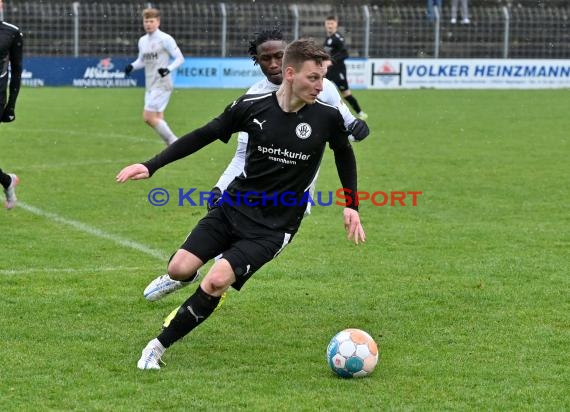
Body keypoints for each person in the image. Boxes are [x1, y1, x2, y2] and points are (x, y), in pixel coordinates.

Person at [116, 39, 366, 370]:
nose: (321, 86)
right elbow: (204, 134)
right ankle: (185, 278)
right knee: (178, 268)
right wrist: (152, 165)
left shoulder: (328, 116)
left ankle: (157, 346)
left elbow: (344, 152)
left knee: (217, 280)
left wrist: (351, 204)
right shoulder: (252, 106)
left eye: (322, 78)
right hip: (233, 208)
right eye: (313, 78)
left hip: (274, 226)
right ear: (290, 74)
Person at [124, 8, 184, 146]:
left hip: (162, 83)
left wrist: (168, 69)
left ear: (158, 22)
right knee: (157, 117)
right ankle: (171, 149)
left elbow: (180, 59)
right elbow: (142, 61)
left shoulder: (165, 39)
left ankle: (175, 143)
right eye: (146, 21)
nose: (148, 24)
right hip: (150, 84)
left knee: (148, 117)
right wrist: (132, 66)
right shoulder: (142, 41)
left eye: (151, 21)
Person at [323, 16, 368, 121]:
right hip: (329, 71)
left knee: (346, 94)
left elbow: (345, 54)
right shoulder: (328, 38)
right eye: (328, 23)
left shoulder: (338, 38)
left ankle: (361, 113)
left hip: (338, 71)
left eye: (332, 23)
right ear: (325, 24)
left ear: (336, 25)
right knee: (320, 90)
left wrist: (331, 61)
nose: (330, 26)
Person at [0, 11, 23, 210]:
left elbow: (17, 70)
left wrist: (11, 105)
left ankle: (7, 181)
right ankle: (7, 180)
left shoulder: (12, 32)